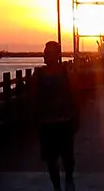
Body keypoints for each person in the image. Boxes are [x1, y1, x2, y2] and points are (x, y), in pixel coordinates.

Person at [35, 40, 78, 191]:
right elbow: (34, 97)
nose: (45, 55)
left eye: (49, 52)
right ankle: (57, 187)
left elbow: (73, 94)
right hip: (47, 123)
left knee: (68, 158)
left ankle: (69, 178)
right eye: (45, 52)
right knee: (51, 159)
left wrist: (75, 117)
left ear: (57, 55)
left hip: (64, 121)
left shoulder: (65, 72)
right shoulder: (39, 73)